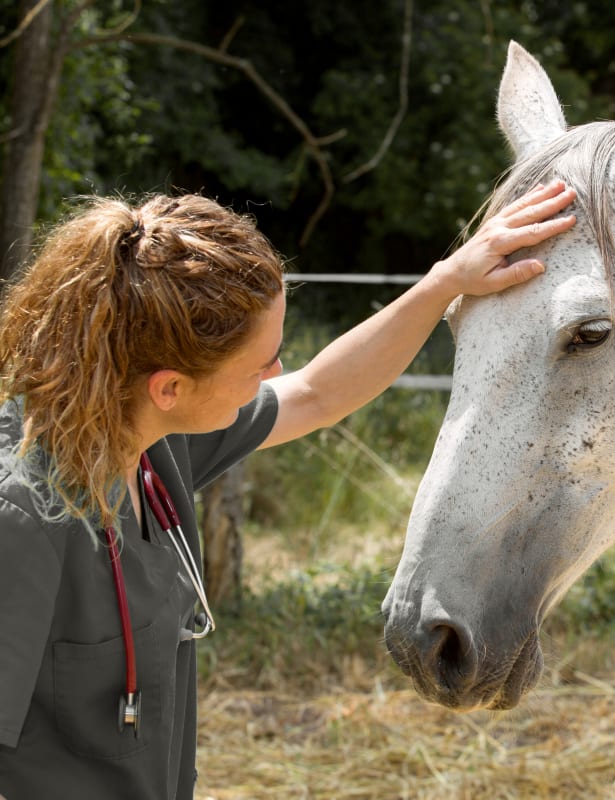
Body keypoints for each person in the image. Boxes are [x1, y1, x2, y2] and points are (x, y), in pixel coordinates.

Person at [0, 180, 576, 799]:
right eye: (260, 364)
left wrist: (445, 282)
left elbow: (317, 394)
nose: (277, 372)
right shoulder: (21, 518)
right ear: (170, 388)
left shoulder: (146, 433)